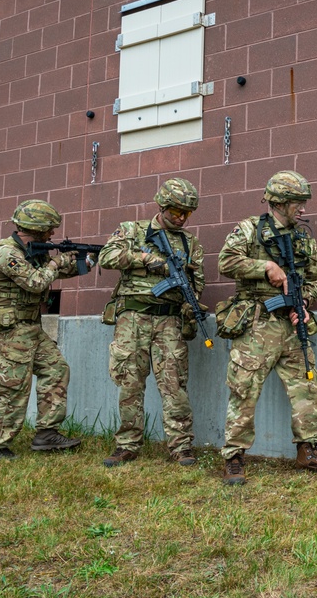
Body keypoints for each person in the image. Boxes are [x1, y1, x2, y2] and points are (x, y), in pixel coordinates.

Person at [218, 171, 317, 486]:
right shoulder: (248, 229)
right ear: (281, 202)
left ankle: (307, 450)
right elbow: (226, 262)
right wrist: (265, 267)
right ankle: (234, 457)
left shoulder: (304, 238)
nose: (302, 209)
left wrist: (303, 303)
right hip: (257, 322)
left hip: (291, 323)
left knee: (307, 385)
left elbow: (314, 278)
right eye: (298, 203)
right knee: (244, 388)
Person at [98, 178, 205, 467]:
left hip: (169, 320)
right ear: (162, 205)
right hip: (132, 317)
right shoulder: (133, 230)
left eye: (187, 213)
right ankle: (127, 443)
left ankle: (181, 446)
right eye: (175, 211)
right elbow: (106, 256)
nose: (181, 217)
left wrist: (191, 300)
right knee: (130, 383)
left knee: (174, 384)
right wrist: (145, 258)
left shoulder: (189, 242)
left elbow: (198, 280)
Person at [0, 200, 85, 459]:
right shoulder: (6, 253)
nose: (53, 234)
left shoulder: (35, 251)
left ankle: (46, 434)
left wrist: (85, 260)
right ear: (36, 229)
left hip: (29, 327)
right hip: (7, 329)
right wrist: (56, 263)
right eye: (49, 229)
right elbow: (36, 282)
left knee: (56, 369)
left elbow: (55, 272)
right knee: (15, 385)